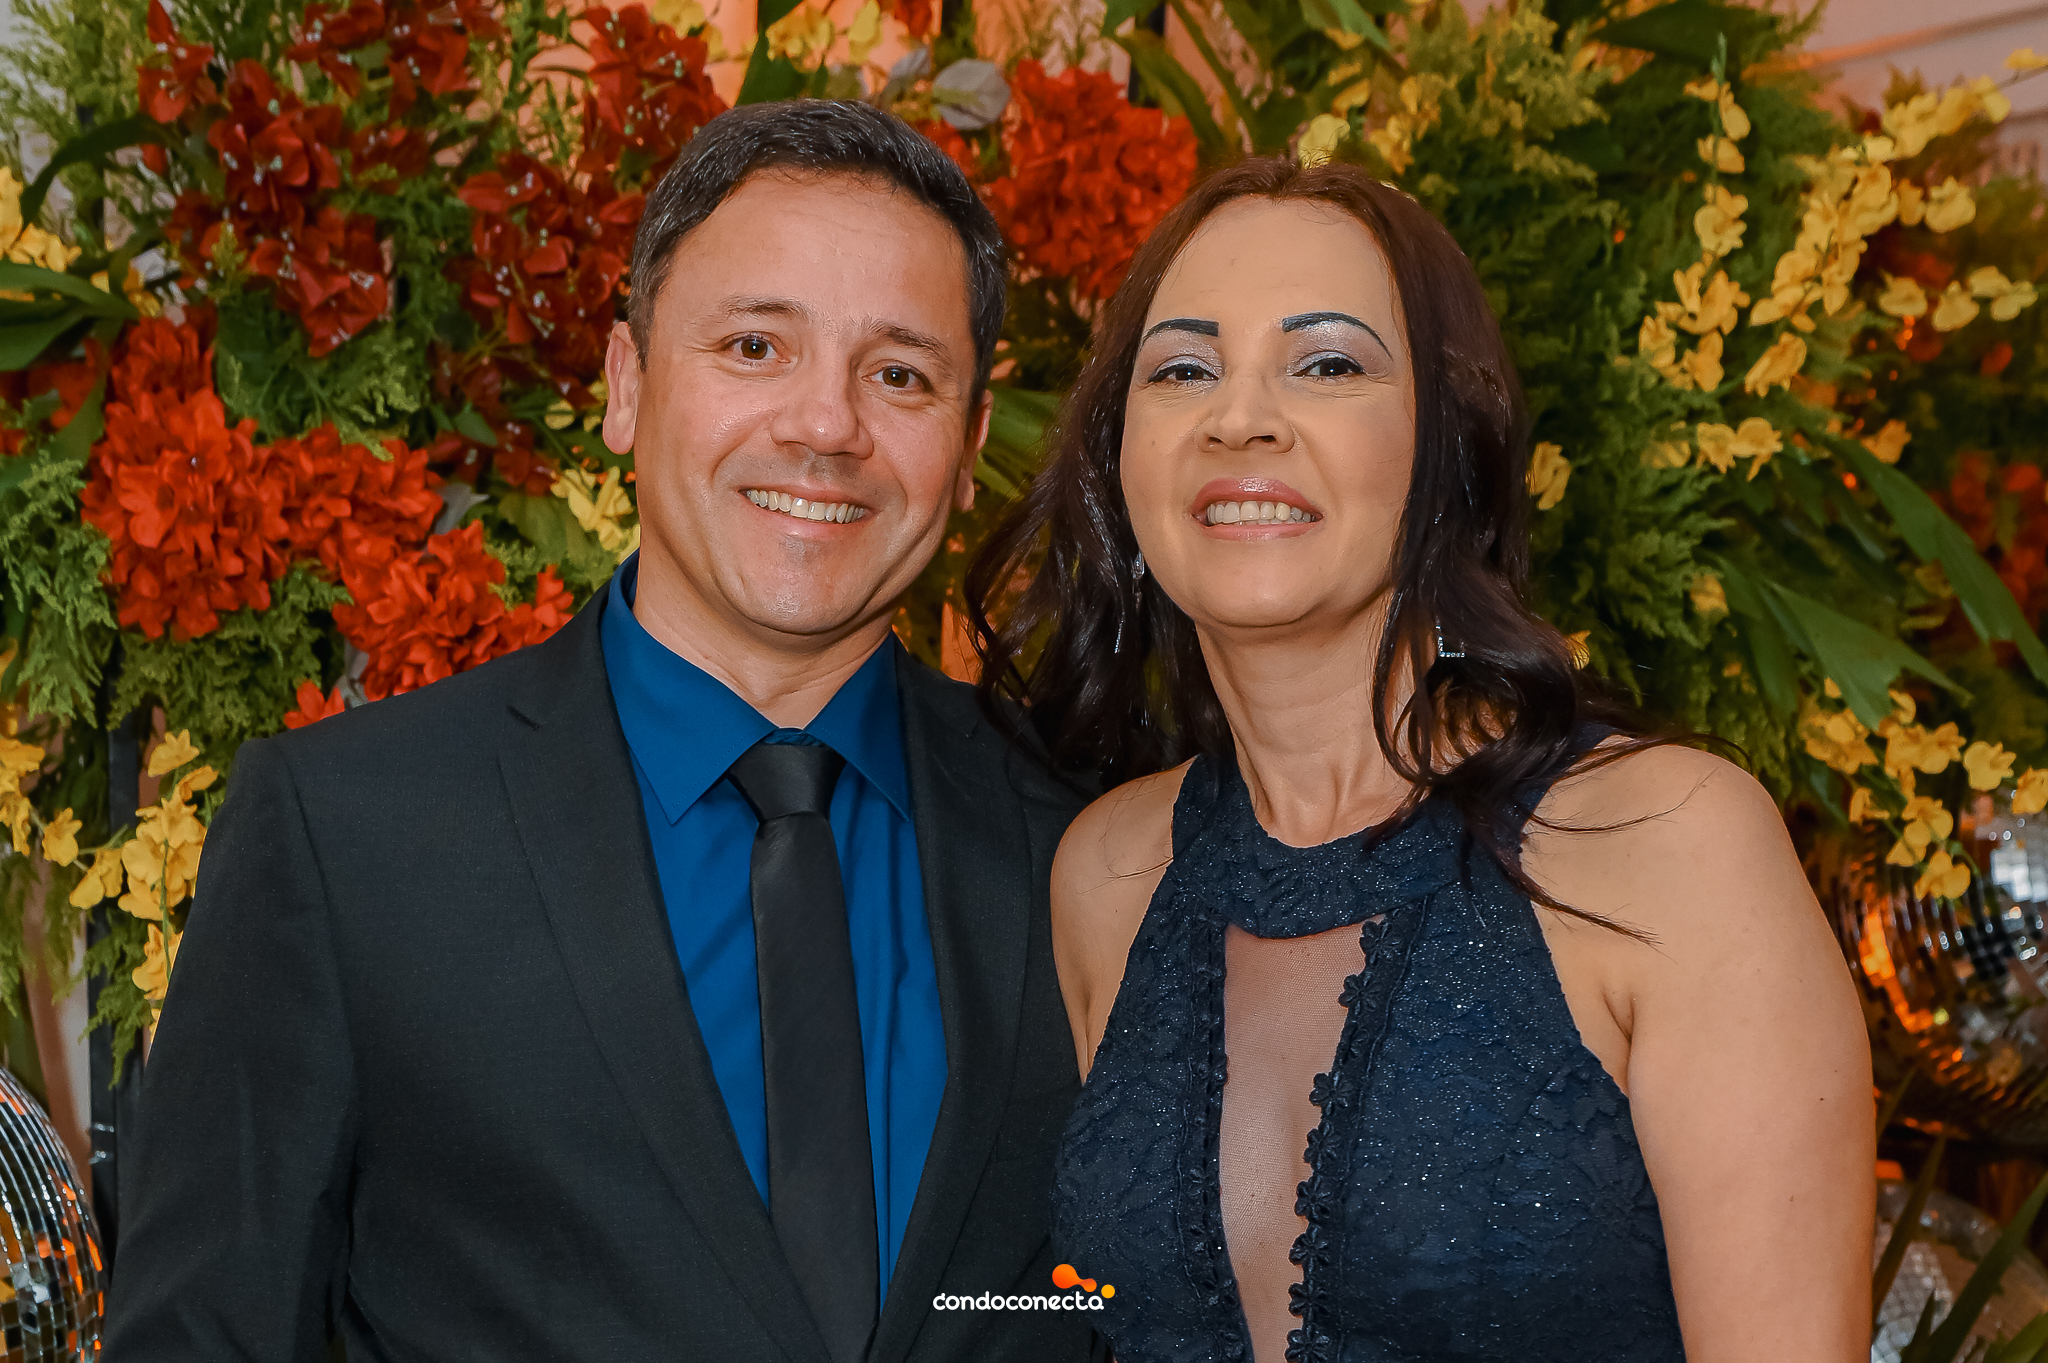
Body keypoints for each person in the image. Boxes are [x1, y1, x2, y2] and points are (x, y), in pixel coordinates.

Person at [105, 101, 1098, 1363]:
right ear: (627, 386)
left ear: (967, 445)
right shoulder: (346, 836)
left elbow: (1093, 1307)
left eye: (899, 374)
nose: (826, 425)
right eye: (754, 346)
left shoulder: (1083, 836)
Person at [970, 157, 1874, 1363]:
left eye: (1327, 363)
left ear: (1446, 449)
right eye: (1181, 369)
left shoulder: (1670, 845)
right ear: (1118, 464)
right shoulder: (1107, 873)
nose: (1239, 417)